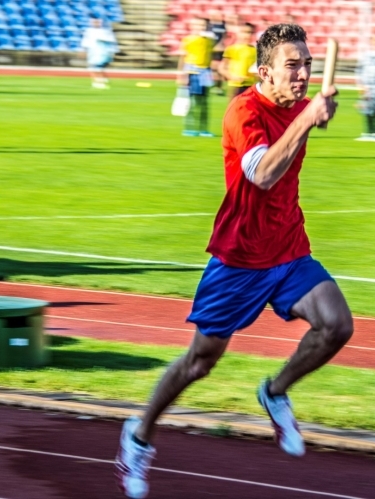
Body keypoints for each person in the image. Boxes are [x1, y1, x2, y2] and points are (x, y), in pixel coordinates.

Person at [115, 23, 350, 499]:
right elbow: (261, 175)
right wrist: (309, 120)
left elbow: (301, 127)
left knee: (336, 326)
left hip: (288, 247)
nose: (303, 73)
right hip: (240, 258)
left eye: (307, 64)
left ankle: (275, 391)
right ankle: (138, 437)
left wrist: (313, 115)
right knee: (200, 362)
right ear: (264, 71)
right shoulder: (243, 112)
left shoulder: (297, 105)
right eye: (292, 65)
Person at [176, 17, 216, 137]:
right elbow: (183, 58)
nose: (201, 28)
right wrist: (181, 74)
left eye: (204, 26)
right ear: (192, 26)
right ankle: (190, 127)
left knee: (205, 102)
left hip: (206, 72)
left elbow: (211, 54)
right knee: (193, 101)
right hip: (192, 72)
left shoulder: (209, 41)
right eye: (198, 25)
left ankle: (203, 129)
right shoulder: (188, 40)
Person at [220, 23, 257, 100]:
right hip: (236, 85)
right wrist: (231, 77)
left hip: (251, 85)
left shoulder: (255, 50)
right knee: (234, 109)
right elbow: (222, 68)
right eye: (244, 32)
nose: (247, 35)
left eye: (250, 32)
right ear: (238, 33)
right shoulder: (232, 49)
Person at [80, 16, 118, 89]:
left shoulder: (106, 31)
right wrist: (83, 51)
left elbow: (111, 41)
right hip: (92, 52)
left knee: (97, 68)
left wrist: (110, 52)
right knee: (93, 68)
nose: (96, 23)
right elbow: (85, 42)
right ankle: (99, 81)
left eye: (97, 22)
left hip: (102, 52)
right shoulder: (89, 31)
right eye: (94, 22)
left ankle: (100, 82)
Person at [207, 11, 228, 96]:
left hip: (219, 50)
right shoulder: (208, 25)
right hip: (210, 49)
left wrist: (220, 45)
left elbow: (224, 37)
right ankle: (210, 85)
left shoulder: (223, 25)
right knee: (210, 68)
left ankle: (219, 87)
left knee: (219, 68)